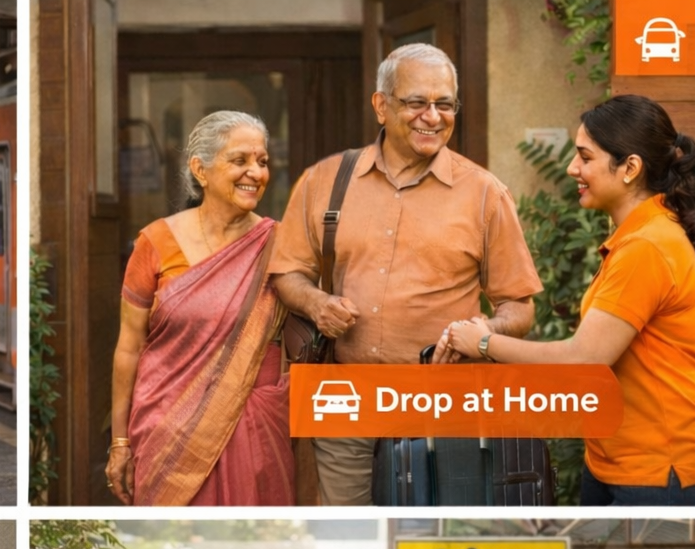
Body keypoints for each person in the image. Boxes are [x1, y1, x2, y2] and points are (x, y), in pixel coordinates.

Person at [272, 43, 541, 505]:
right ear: (381, 106)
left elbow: (519, 306)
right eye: (417, 102)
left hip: (440, 401)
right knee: (350, 527)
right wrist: (317, 303)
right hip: (346, 396)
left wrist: (484, 332)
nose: (432, 117)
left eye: (445, 104)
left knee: (434, 523)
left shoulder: (485, 194)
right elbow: (287, 273)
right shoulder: (324, 181)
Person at [437, 95, 695, 505]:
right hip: (618, 462)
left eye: (585, 157)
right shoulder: (638, 237)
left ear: (630, 168)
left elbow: (584, 358)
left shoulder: (648, 246)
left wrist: (484, 342)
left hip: (663, 472)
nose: (572, 168)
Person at [107, 110, 292, 507]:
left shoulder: (279, 244)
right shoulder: (156, 243)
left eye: (262, 161)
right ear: (200, 169)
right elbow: (129, 346)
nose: (256, 172)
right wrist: (120, 442)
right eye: (239, 160)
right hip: (167, 430)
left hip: (253, 426)